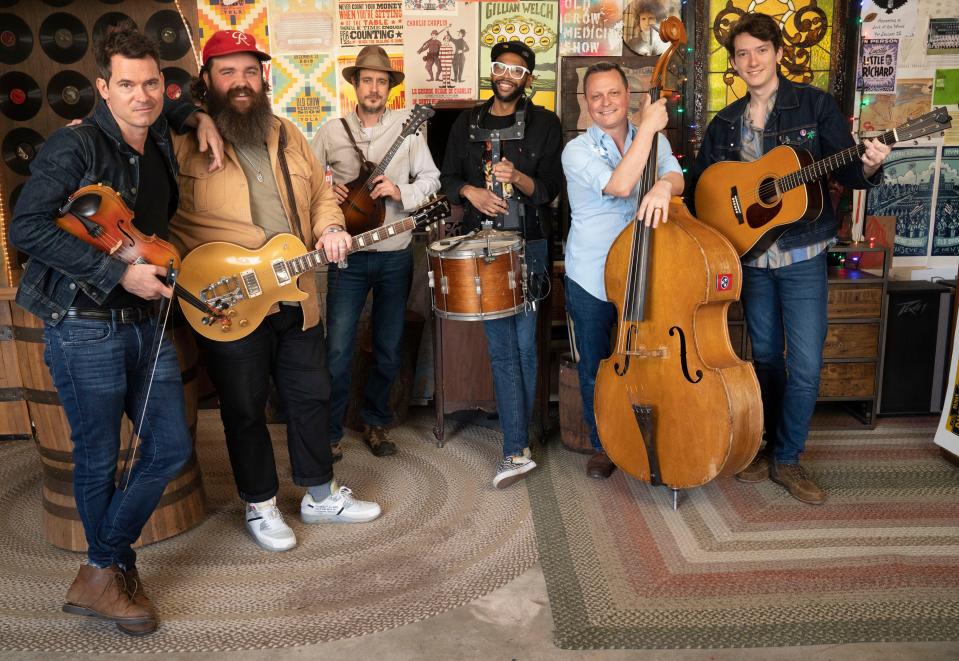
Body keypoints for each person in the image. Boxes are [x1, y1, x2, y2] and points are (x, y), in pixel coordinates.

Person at [9, 25, 219, 636]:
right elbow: (28, 230)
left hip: (143, 322)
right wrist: (117, 275)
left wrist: (197, 114)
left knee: (169, 449)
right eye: (126, 84)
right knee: (99, 459)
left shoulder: (156, 137)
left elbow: (172, 105)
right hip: (83, 325)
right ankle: (114, 574)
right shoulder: (73, 147)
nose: (142, 95)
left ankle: (98, 571)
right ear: (103, 88)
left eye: (151, 82)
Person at [170, 30, 382, 552]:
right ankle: (260, 503)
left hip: (294, 291)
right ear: (206, 80)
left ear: (263, 77)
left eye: (249, 71)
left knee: (310, 396)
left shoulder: (288, 134)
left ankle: (319, 494)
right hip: (228, 297)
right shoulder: (179, 142)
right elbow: (146, 108)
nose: (241, 82)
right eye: (227, 71)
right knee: (244, 406)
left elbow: (320, 199)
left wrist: (331, 228)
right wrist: (190, 117)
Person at [686, 13, 891, 504]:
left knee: (803, 363)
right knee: (763, 359)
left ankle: (789, 458)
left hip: (802, 255)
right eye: (742, 53)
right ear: (733, 63)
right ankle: (762, 445)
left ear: (778, 52)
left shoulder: (815, 105)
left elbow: (849, 174)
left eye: (760, 50)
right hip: (751, 261)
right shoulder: (725, 122)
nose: (751, 60)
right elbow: (704, 190)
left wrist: (868, 165)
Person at [440, 41, 563, 488]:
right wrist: (471, 192)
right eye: (500, 67)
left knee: (526, 346)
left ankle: (518, 441)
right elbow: (448, 178)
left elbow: (550, 189)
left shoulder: (546, 124)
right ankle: (516, 446)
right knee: (502, 347)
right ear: (491, 72)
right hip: (484, 247)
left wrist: (519, 178)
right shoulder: (465, 123)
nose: (507, 75)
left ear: (528, 78)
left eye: (517, 69)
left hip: (529, 246)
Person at [311, 45, 440, 460]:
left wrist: (401, 191)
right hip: (346, 255)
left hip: (395, 252)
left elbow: (433, 180)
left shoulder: (408, 127)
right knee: (338, 349)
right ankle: (330, 432)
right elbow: (307, 185)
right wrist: (326, 191)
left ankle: (376, 421)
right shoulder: (332, 131)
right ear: (355, 85)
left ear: (390, 88)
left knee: (388, 346)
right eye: (367, 79)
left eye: (381, 81)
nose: (374, 87)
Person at [561, 62, 684, 480]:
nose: (605, 102)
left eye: (613, 93)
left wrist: (666, 184)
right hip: (592, 276)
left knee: (646, 360)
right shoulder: (576, 150)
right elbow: (620, 186)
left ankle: (649, 436)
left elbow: (676, 174)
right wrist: (648, 128)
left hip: (644, 269)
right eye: (596, 96)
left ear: (627, 95)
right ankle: (605, 446)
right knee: (596, 366)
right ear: (586, 103)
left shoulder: (652, 137)